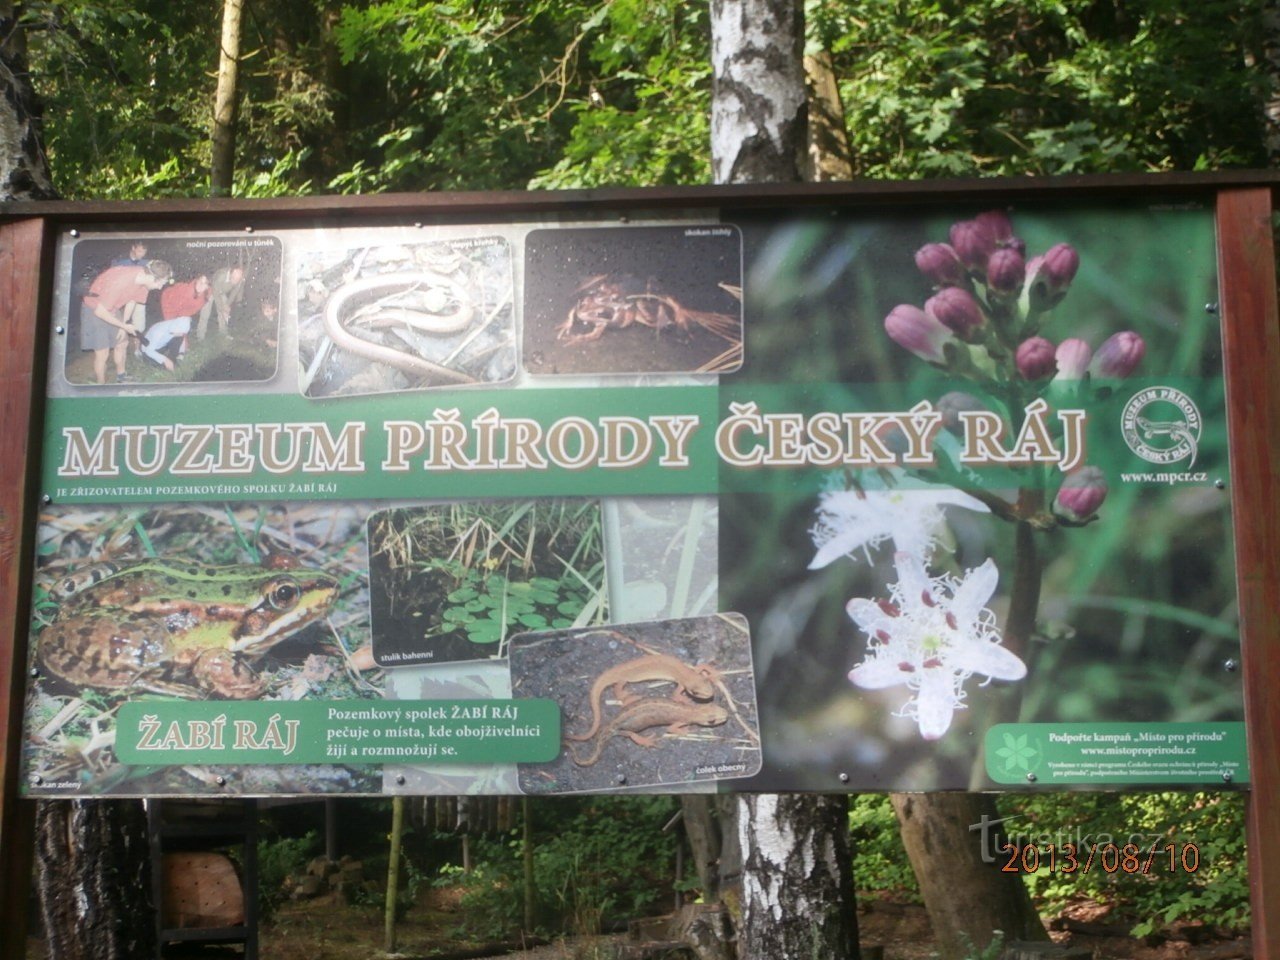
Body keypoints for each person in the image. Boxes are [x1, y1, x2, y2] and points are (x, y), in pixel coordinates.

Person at [79, 259, 172, 384]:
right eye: (160, 283)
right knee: (103, 352)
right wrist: (122, 325)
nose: (160, 287)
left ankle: (121, 377)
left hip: (112, 307)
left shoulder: (143, 283)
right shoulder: (122, 281)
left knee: (122, 342)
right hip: (94, 307)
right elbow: (100, 312)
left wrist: (124, 325)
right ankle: (101, 385)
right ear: (151, 277)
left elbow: (132, 300)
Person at [141, 274, 211, 371]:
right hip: (169, 302)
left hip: (180, 309)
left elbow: (190, 312)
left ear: (208, 286)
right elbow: (174, 308)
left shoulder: (204, 296)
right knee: (173, 328)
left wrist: (182, 351)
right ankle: (167, 358)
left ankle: (177, 354)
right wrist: (165, 360)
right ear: (196, 280)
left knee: (179, 331)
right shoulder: (186, 290)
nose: (201, 285)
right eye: (200, 282)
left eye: (205, 284)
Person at [197, 265, 245, 340]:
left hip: (221, 292)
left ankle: (223, 333)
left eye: (238, 279)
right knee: (205, 313)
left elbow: (234, 293)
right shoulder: (221, 276)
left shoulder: (239, 279)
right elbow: (215, 293)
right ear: (231, 273)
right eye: (234, 279)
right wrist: (222, 308)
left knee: (224, 313)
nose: (236, 281)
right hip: (210, 289)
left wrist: (227, 305)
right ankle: (200, 336)